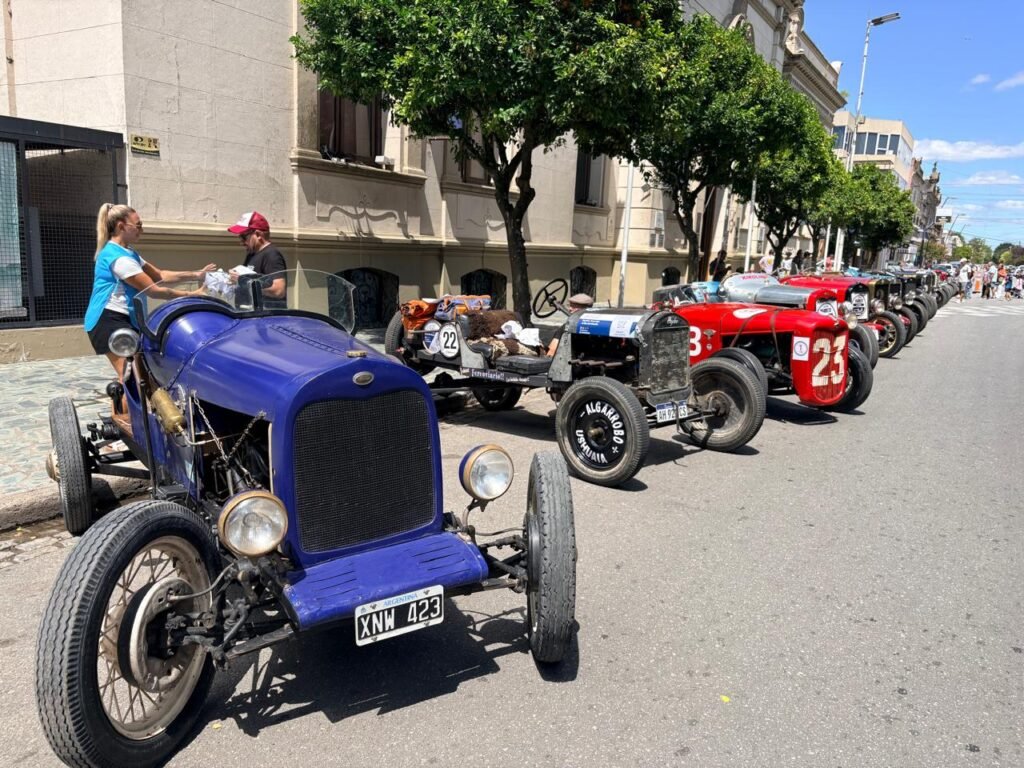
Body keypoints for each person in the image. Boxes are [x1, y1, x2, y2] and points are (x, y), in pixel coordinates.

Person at [84, 203, 215, 378]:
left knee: (139, 377)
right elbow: (154, 290)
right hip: (109, 321)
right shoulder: (119, 258)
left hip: (124, 319)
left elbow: (160, 275)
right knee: (131, 378)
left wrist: (197, 274)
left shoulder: (129, 253)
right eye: (138, 225)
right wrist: (192, 295)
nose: (142, 230)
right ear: (121, 227)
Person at [227, 211, 287, 305]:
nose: (241, 242)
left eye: (243, 237)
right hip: (250, 312)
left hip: (266, 313)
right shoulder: (252, 254)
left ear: (258, 235)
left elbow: (278, 291)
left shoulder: (271, 255)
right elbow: (248, 282)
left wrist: (243, 281)